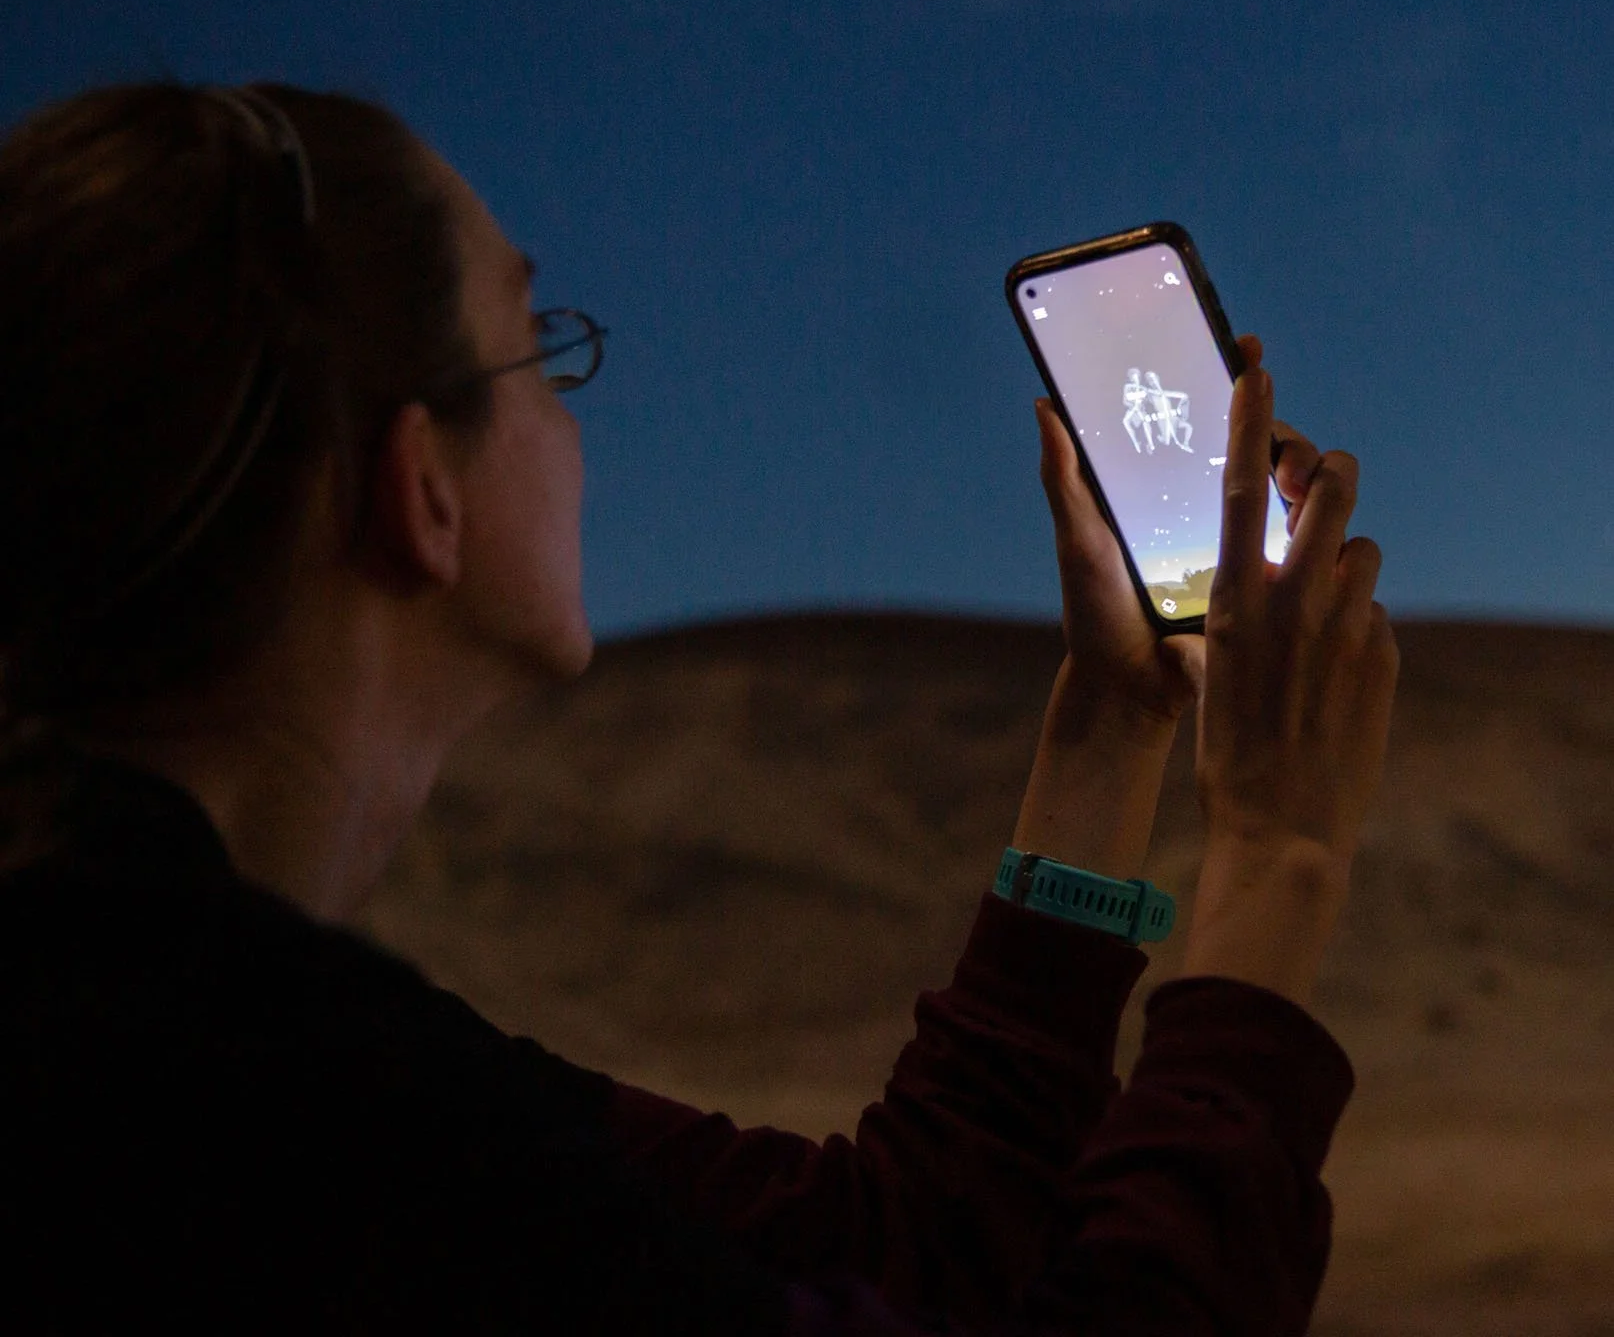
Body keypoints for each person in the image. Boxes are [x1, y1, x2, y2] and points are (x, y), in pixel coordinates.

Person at [0, 81, 1399, 1335]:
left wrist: (1110, 724)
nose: (575, 408)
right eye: (532, 346)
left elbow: (904, 1251)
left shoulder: (205, 1025)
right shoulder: (272, 1123)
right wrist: (1276, 861)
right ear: (419, 490)